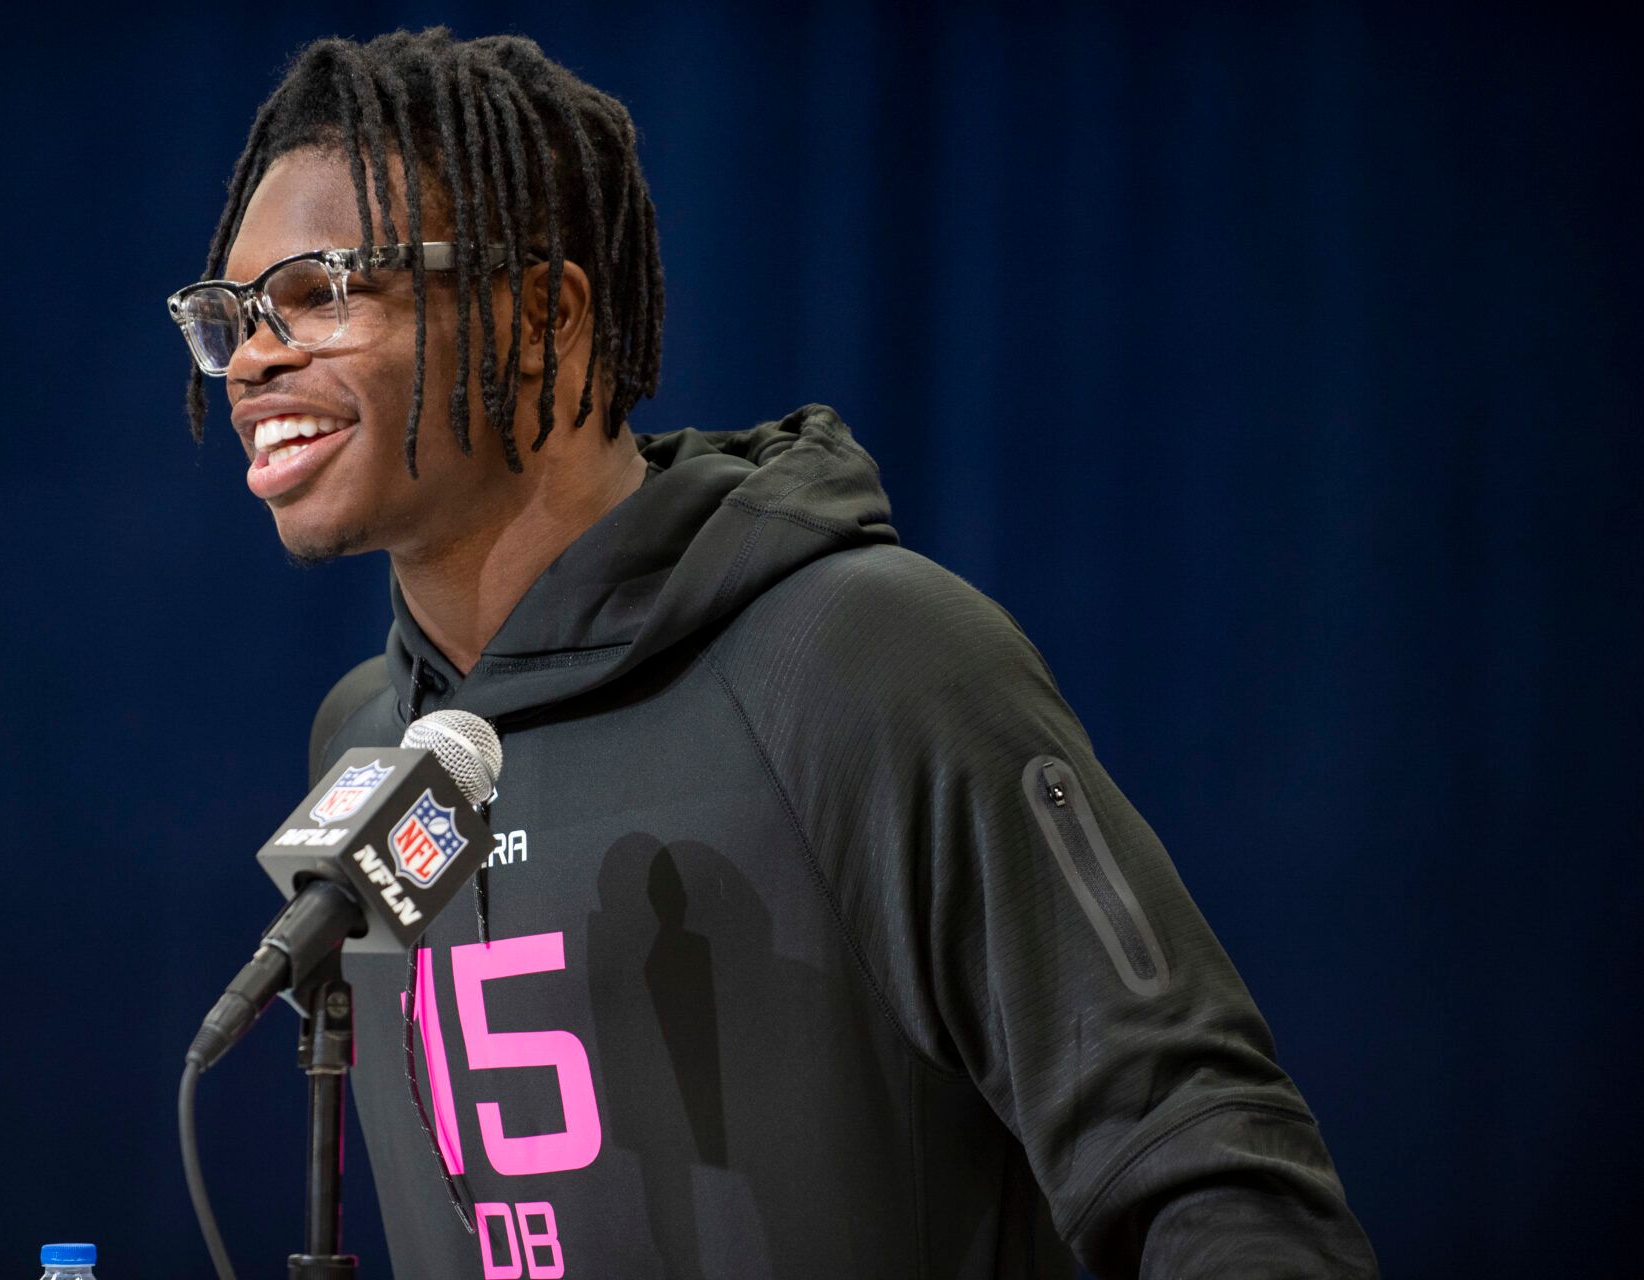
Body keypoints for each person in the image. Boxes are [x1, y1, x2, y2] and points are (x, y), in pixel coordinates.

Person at [168, 28, 1379, 1279]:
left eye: (317, 291)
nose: (254, 356)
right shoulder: (366, 742)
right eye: (231, 314)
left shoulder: (864, 658)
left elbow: (1207, 1166)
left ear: (543, 315)